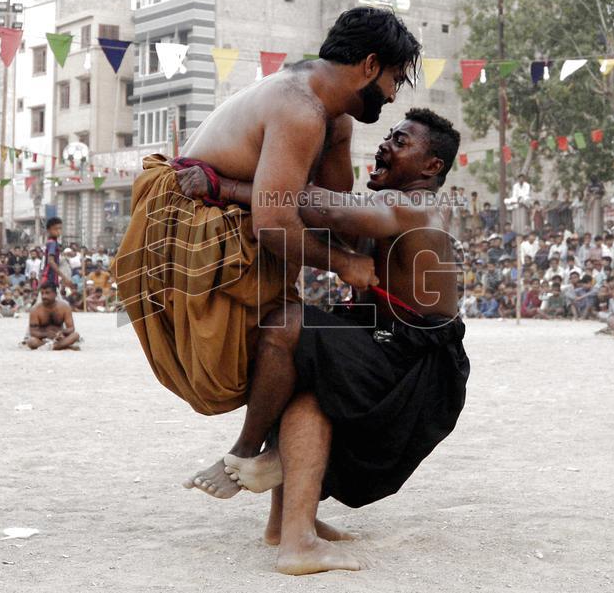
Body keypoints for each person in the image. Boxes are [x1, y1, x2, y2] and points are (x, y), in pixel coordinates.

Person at [179, 108, 468, 575]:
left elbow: (324, 207)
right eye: (388, 136)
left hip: (417, 366)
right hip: (384, 340)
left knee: (288, 326)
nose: (386, 145)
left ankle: (247, 454)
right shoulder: (386, 208)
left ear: (431, 166)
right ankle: (289, 527)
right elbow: (313, 210)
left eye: (401, 141)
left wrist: (224, 186)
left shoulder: (416, 206)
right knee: (303, 372)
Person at [114, 6, 418, 417]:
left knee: (304, 352)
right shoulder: (300, 108)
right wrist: (344, 263)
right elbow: (275, 224)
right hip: (190, 231)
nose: (393, 95)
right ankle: (251, 450)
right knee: (293, 348)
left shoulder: (331, 118)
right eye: (394, 79)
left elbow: (330, 208)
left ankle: (267, 452)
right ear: (370, 65)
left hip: (231, 218)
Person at [25, 283, 81, 350]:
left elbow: (71, 328)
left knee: (76, 335)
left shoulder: (65, 307)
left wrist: (62, 332)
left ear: (55, 294)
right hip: (42, 339)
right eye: (42, 293)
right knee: (31, 341)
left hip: (59, 338)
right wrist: (46, 334)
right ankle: (63, 347)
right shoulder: (35, 310)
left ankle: (53, 346)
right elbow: (33, 332)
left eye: (47, 293)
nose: (44, 296)